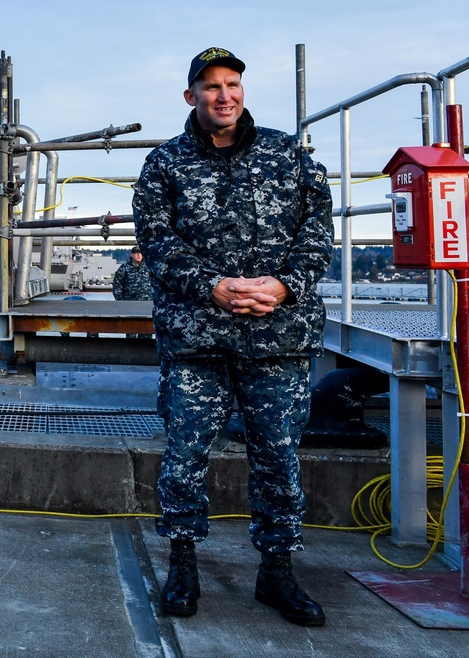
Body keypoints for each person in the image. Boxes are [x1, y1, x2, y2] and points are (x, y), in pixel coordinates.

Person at [131, 47, 333, 626]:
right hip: (197, 339)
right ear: (190, 95)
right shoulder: (165, 164)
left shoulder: (285, 154)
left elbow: (317, 227)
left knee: (278, 458)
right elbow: (157, 242)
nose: (225, 95)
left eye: (233, 84)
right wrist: (211, 286)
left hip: (278, 335)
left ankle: (277, 573)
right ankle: (183, 565)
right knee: (185, 457)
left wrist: (286, 286)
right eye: (212, 86)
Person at [112, 245, 152, 339]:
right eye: (136, 253)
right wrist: (120, 300)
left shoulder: (149, 267)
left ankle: (145, 352)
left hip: (146, 304)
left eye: (140, 253)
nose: (138, 255)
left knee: (146, 332)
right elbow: (117, 284)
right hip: (130, 305)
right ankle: (131, 352)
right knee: (131, 332)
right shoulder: (124, 268)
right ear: (131, 255)